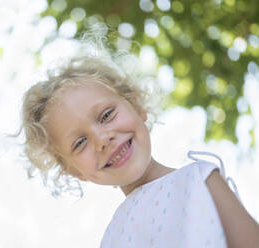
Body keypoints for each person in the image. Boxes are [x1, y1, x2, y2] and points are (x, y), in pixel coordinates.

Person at [19, 54, 259, 247]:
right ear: (75, 171)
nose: (102, 139)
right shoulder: (113, 236)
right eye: (80, 142)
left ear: (136, 106)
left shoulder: (200, 180)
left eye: (106, 115)